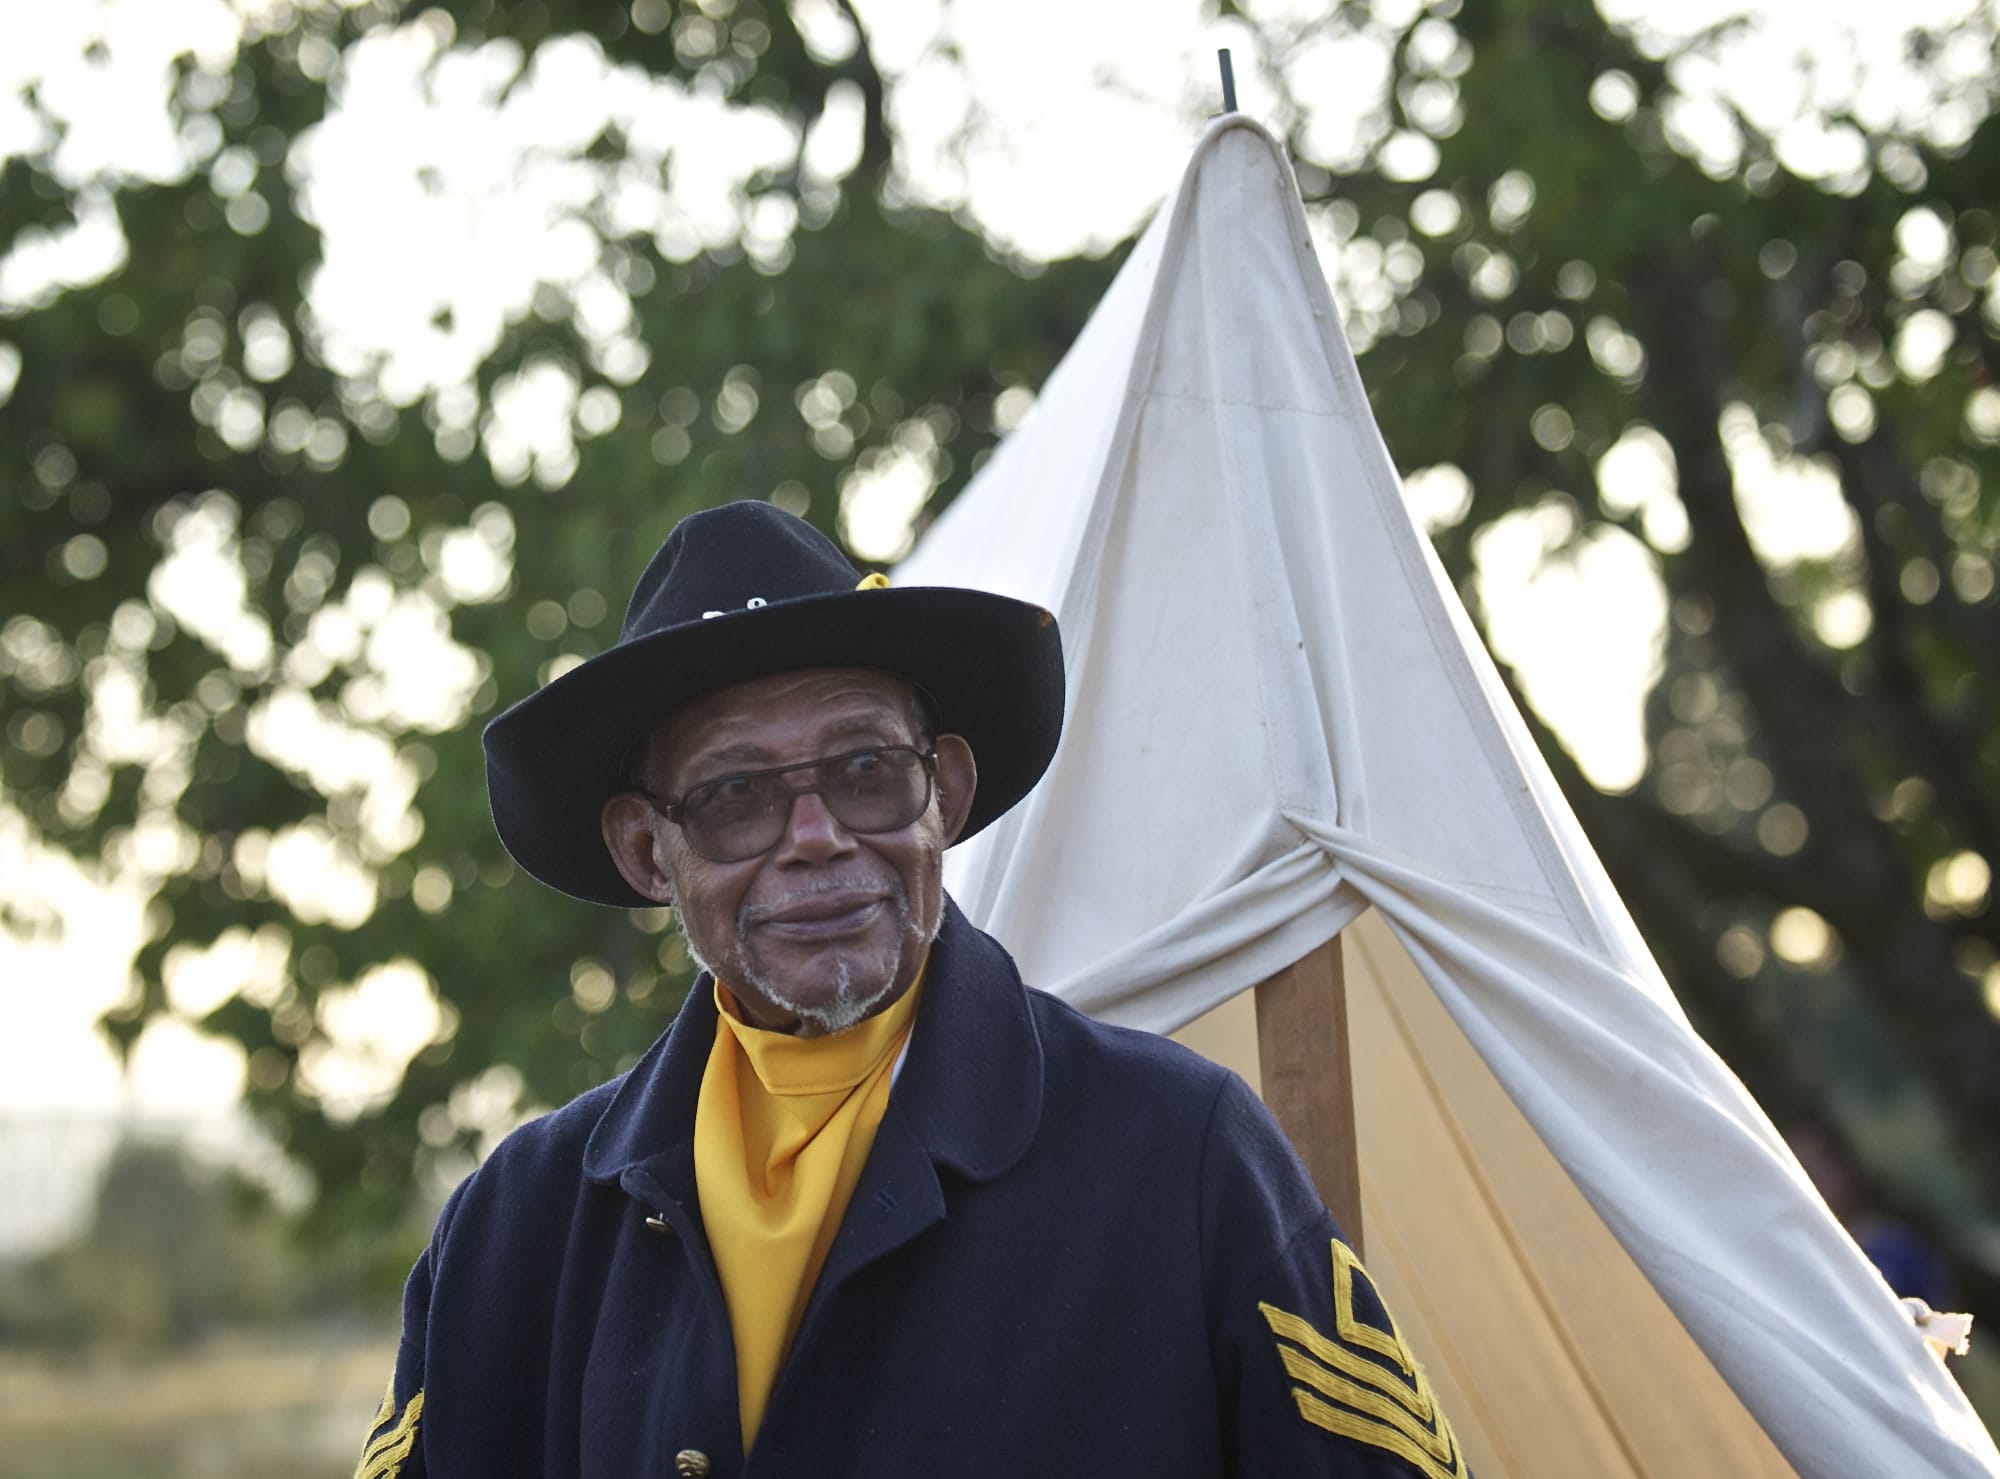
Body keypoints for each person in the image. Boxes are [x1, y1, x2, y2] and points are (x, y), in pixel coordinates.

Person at [356, 500, 1470, 1479]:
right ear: (648, 854)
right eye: (738, 794)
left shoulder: (1181, 1157)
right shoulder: (515, 1231)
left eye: (863, 771)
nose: (815, 838)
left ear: (941, 793)